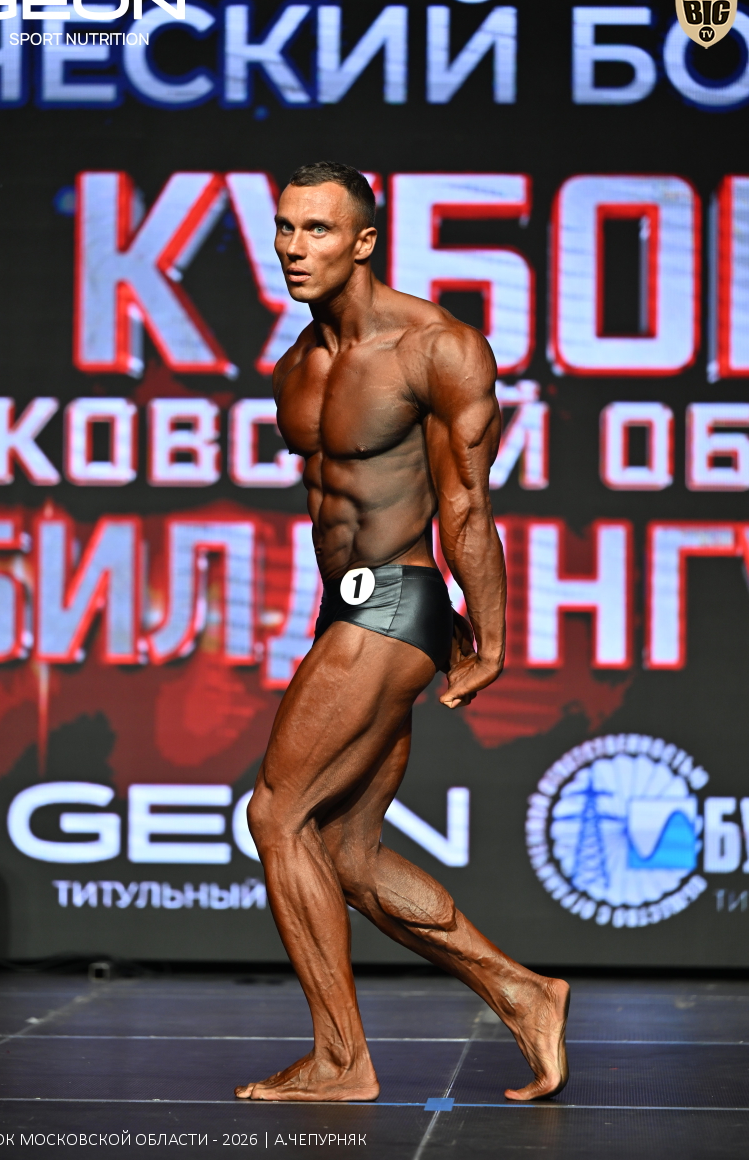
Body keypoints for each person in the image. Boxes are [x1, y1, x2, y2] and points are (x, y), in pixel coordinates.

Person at [235, 162, 569, 1103]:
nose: (295, 248)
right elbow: (336, 509)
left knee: (275, 814)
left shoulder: (437, 348)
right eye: (285, 228)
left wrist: (489, 636)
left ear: (365, 241)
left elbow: (464, 502)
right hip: (348, 608)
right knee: (346, 853)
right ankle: (523, 993)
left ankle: (341, 1060)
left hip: (395, 602)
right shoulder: (295, 366)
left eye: (317, 230)